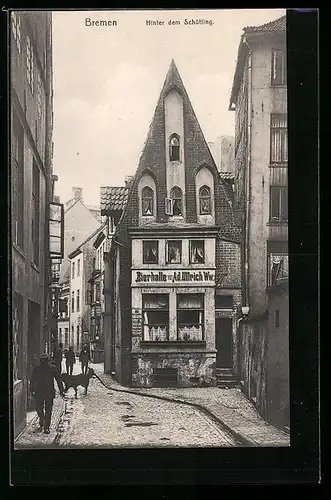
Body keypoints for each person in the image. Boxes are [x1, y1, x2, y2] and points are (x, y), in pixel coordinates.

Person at [30, 354, 64, 434]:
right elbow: (32, 380)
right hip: (39, 392)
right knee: (38, 408)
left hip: (49, 392)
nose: (43, 362)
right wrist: (31, 390)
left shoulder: (52, 368)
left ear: (47, 360)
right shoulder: (37, 368)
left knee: (48, 410)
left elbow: (58, 379)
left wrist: (61, 390)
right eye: (42, 361)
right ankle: (42, 418)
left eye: (44, 360)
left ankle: (46, 427)